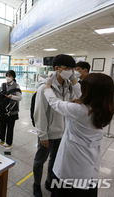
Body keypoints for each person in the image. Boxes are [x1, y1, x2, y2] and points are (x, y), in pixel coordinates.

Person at [44, 73, 114, 197]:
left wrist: (46, 87)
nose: (80, 87)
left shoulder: (78, 110)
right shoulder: (105, 109)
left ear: (89, 90)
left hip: (71, 168)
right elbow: (82, 94)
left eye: (84, 85)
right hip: (89, 167)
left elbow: (54, 102)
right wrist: (73, 79)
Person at [33, 54, 80, 197]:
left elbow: (74, 104)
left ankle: (49, 182)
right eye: (67, 68)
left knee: (55, 160)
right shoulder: (45, 88)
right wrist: (43, 135)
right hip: (48, 133)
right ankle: (36, 185)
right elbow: (40, 113)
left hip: (63, 133)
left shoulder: (69, 87)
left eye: (72, 69)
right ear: (57, 68)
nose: (70, 71)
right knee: (40, 161)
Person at [0, 70, 22, 149]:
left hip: (12, 109)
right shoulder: (3, 85)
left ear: (13, 77)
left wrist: (12, 97)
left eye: (10, 76)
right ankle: (1, 138)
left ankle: (9, 141)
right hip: (3, 109)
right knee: (2, 124)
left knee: (10, 127)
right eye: (7, 76)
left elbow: (19, 98)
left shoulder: (16, 86)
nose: (8, 77)